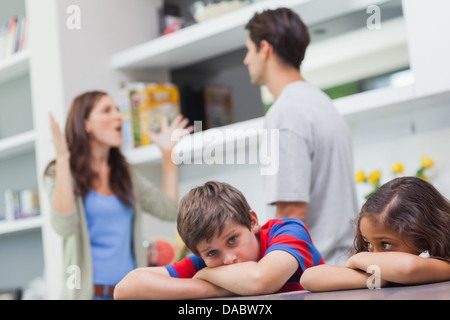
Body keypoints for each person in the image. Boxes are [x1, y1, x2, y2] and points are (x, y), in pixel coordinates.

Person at [43, 91, 193, 299]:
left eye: (117, 109)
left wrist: (168, 155)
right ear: (86, 124)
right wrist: (62, 159)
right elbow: (64, 226)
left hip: (130, 294)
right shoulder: (60, 173)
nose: (118, 116)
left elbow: (168, 210)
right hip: (88, 295)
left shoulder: (126, 174)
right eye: (107, 110)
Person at [243, 8, 359, 265]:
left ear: (264, 48)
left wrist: (268, 273)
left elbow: (291, 213)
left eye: (248, 50)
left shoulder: (285, 113)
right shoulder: (322, 103)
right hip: (343, 265)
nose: (246, 60)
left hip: (316, 273)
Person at [114, 181, 324, 299]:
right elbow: (126, 289)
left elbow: (262, 280)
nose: (229, 259)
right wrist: (216, 287)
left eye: (232, 239)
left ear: (252, 221)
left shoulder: (287, 231)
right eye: (212, 252)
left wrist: (206, 274)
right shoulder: (206, 261)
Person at [300, 176, 450, 292]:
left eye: (385, 244)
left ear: (421, 239)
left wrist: (358, 259)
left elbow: (407, 268)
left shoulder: (445, 264)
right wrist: (383, 277)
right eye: (368, 244)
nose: (373, 255)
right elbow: (309, 278)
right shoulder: (381, 270)